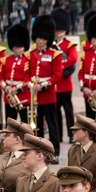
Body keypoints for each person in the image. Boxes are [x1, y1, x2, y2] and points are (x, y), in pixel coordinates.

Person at [29, 15, 60, 148]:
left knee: (52, 124)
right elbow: (26, 73)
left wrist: (43, 85)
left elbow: (57, 75)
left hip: (48, 94)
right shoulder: (31, 54)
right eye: (37, 38)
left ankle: (55, 150)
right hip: (35, 96)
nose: (39, 41)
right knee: (38, 125)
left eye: (42, 38)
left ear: (47, 39)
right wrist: (32, 85)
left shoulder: (54, 54)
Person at [51, 9, 79, 144]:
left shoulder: (68, 45)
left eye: (60, 30)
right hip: (54, 86)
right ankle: (59, 135)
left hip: (65, 85)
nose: (58, 32)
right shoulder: (51, 45)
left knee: (68, 111)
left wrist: (60, 65)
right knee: (55, 113)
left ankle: (71, 134)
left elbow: (73, 58)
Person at [0, 23, 31, 125]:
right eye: (14, 46)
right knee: (10, 124)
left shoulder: (27, 60)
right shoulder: (7, 60)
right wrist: (6, 88)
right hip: (9, 97)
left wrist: (16, 89)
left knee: (25, 124)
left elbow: (28, 78)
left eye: (18, 46)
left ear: (23, 47)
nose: (16, 49)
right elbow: (0, 76)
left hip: (23, 96)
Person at [79, 14, 96, 123]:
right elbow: (80, 73)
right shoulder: (86, 53)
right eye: (93, 37)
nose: (94, 39)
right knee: (90, 122)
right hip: (88, 93)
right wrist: (83, 88)